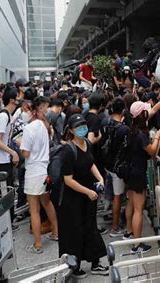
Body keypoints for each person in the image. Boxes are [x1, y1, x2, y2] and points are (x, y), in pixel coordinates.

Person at [58, 114, 108, 277]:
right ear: (71, 130)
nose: (82, 129)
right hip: (73, 198)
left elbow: (90, 162)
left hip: (89, 195)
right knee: (75, 230)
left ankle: (95, 262)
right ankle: (75, 266)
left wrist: (100, 178)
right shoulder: (68, 150)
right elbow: (68, 180)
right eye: (78, 127)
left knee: (90, 226)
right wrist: (88, 191)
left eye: (84, 125)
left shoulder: (87, 143)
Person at [124, 102, 160, 253]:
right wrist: (158, 137)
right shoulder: (140, 135)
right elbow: (152, 151)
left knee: (132, 205)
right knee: (138, 210)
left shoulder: (132, 130)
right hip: (138, 173)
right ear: (142, 115)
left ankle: (130, 233)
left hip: (130, 173)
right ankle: (137, 245)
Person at [21, 97, 59, 254]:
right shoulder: (45, 126)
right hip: (45, 170)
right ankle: (56, 232)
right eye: (47, 107)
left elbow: (26, 153)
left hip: (33, 171)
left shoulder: (30, 128)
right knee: (47, 202)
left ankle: (37, 244)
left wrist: (19, 146)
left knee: (34, 209)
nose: (48, 110)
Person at [0, 87, 20, 223]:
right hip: (0, 161)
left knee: (7, 192)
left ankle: (8, 222)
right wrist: (13, 152)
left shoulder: (8, 115)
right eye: (18, 96)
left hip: (4, 159)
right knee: (3, 194)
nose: (20, 99)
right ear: (12, 100)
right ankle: (4, 224)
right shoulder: (3, 116)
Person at [102, 98, 128, 237]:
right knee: (118, 196)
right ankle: (115, 227)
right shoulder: (124, 129)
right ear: (123, 110)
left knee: (112, 193)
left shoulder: (107, 123)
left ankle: (113, 219)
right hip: (118, 167)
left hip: (108, 164)